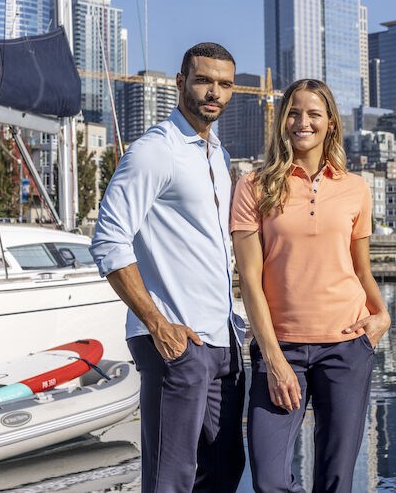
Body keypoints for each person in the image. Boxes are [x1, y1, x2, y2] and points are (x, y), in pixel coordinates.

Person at [90, 42, 245, 493]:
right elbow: (108, 239)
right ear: (181, 83)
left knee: (224, 469)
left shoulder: (219, 156)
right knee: (169, 479)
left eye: (224, 84)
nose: (213, 92)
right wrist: (157, 323)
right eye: (203, 81)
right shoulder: (154, 151)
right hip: (176, 340)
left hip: (223, 339)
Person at [231, 78, 390, 493]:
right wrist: (273, 358)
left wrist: (382, 316)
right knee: (268, 478)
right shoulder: (254, 185)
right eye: (294, 112)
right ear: (282, 121)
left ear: (331, 123)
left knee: (336, 479)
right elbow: (249, 277)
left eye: (314, 113)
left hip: (347, 345)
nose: (303, 121)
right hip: (279, 347)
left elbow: (361, 269)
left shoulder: (355, 188)